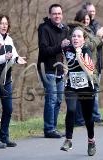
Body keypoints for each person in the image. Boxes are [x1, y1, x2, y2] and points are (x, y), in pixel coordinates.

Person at [0, 15, 27, 148]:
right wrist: (4, 57)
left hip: (6, 80)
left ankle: (4, 137)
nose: (4, 26)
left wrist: (17, 59)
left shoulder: (9, 40)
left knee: (8, 109)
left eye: (6, 23)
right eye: (1, 23)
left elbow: (13, 55)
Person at [60, 27, 98, 156]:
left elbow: (89, 71)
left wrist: (78, 54)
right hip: (71, 87)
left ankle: (91, 141)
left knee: (88, 117)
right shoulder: (67, 49)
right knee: (71, 110)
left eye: (79, 36)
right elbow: (62, 56)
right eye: (74, 36)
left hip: (86, 88)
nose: (75, 38)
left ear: (83, 39)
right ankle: (68, 140)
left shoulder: (87, 51)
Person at [37, 4, 70, 138]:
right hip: (47, 69)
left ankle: (54, 128)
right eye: (54, 13)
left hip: (60, 69)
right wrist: (60, 46)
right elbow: (44, 51)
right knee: (51, 99)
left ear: (62, 15)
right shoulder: (44, 29)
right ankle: (49, 129)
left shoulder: (65, 29)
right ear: (50, 15)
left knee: (58, 100)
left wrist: (67, 64)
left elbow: (66, 50)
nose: (57, 16)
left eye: (59, 13)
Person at [83, 2, 103, 123]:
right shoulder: (84, 27)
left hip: (98, 62)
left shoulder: (97, 24)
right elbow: (92, 44)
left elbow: (99, 42)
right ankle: (93, 116)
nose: (92, 13)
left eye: (93, 11)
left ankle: (95, 116)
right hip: (88, 63)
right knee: (90, 91)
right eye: (89, 11)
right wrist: (101, 38)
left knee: (95, 90)